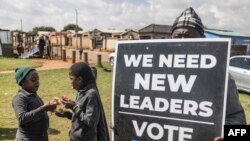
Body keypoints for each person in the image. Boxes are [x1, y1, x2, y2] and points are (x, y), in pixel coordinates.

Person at [171, 7, 246, 141]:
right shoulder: (152, 72)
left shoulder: (220, 76)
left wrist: (227, 135)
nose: (183, 40)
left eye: (189, 36)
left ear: (203, 39)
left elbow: (241, 129)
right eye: (178, 36)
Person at [55, 62, 110, 141]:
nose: (70, 82)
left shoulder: (91, 94)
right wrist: (68, 114)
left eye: (71, 79)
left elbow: (91, 122)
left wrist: (73, 107)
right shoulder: (82, 91)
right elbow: (82, 116)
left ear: (80, 79)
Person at [12, 67, 57, 141]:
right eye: (33, 80)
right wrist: (43, 108)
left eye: (38, 79)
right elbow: (22, 118)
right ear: (22, 82)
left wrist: (48, 108)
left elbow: (36, 112)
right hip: (28, 138)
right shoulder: (20, 98)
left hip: (41, 136)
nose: (37, 82)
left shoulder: (33, 94)